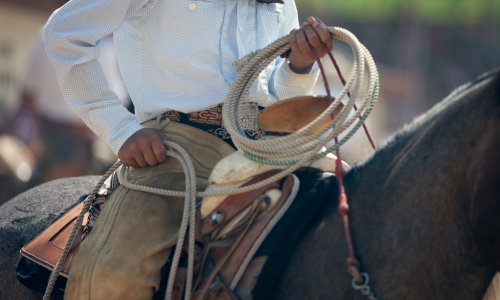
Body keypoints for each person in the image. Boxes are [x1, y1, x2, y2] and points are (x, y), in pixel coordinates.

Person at [43, 0, 334, 298]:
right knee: (116, 274)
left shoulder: (282, 4)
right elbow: (64, 32)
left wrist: (299, 65)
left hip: (267, 148)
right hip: (180, 148)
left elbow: (278, 95)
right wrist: (121, 129)